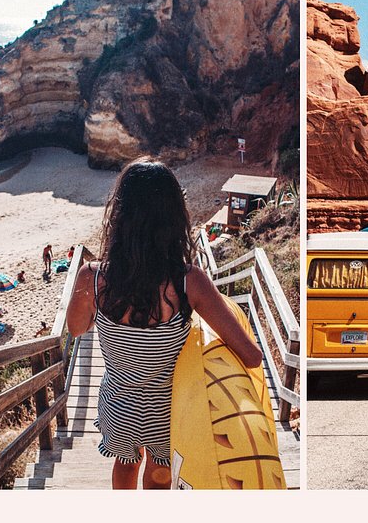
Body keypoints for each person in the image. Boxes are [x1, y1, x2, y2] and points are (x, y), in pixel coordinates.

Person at [66, 158, 262, 490]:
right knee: (159, 475)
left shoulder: (93, 277)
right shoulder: (190, 283)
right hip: (170, 413)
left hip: (118, 408)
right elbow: (252, 356)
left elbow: (76, 329)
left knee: (125, 464)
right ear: (174, 218)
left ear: (120, 217)